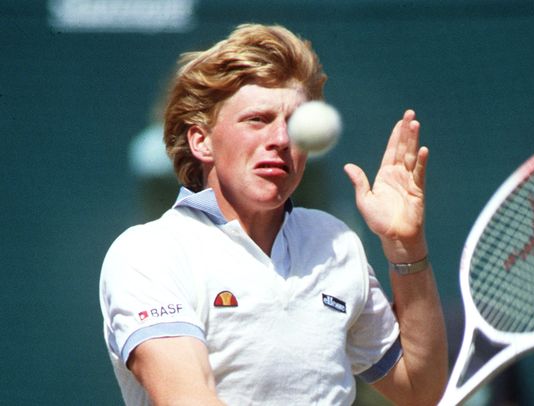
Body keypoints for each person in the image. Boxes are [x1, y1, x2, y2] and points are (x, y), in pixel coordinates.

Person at [99, 23, 447, 405]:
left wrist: (405, 246)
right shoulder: (149, 253)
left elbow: (421, 389)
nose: (281, 140)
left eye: (294, 124)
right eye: (257, 120)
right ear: (201, 141)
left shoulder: (336, 243)